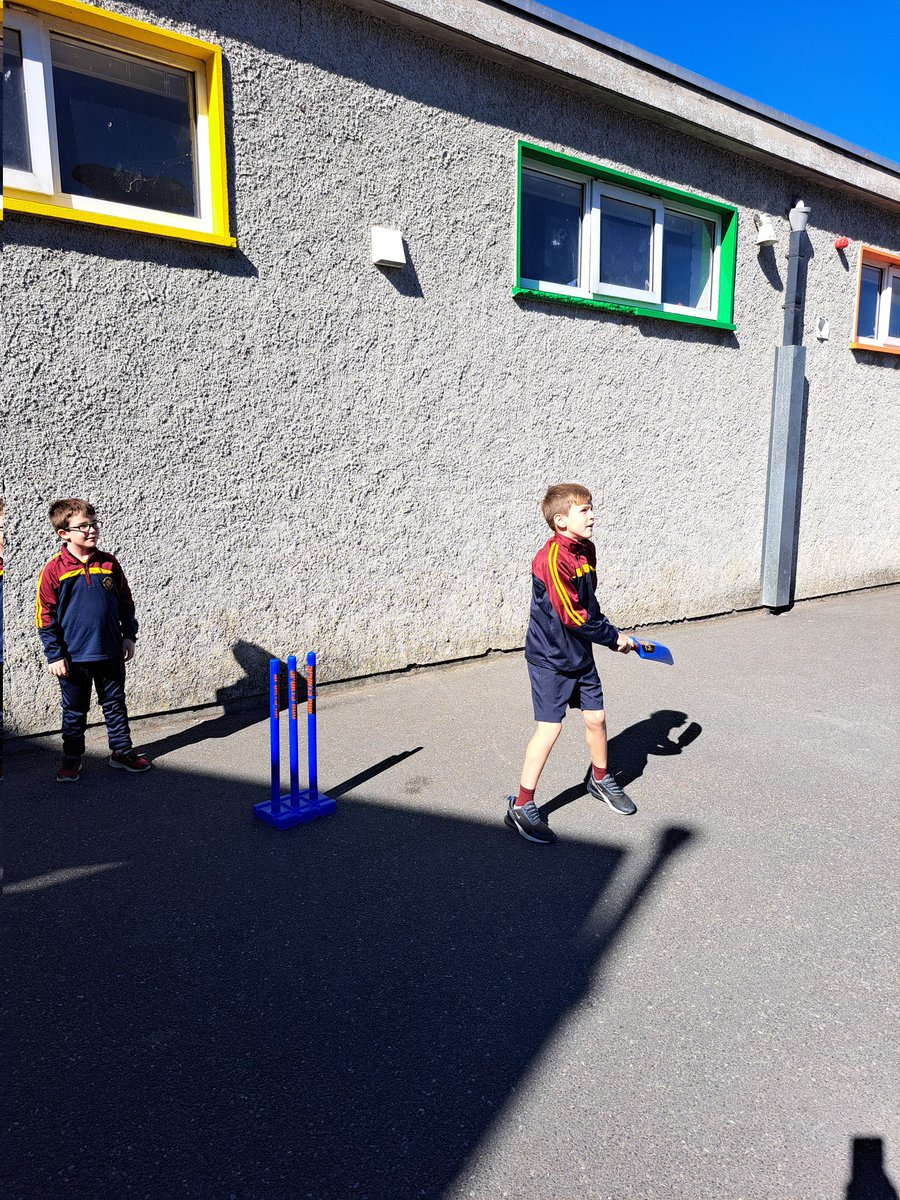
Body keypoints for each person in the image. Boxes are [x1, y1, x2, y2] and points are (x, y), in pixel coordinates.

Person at [505, 483, 636, 845]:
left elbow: (588, 604)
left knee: (596, 718)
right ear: (561, 521)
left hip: (580, 653)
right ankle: (522, 804)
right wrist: (613, 639)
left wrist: (612, 630)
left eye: (592, 507)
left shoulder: (586, 550)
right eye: (584, 510)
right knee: (550, 730)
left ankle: (600, 778)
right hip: (550, 658)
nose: (592, 514)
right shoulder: (550, 560)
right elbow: (572, 616)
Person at [34, 499, 151, 782]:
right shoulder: (54, 569)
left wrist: (128, 636)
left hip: (110, 651)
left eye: (94, 523)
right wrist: (54, 655)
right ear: (64, 533)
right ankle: (72, 759)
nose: (91, 530)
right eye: (83, 526)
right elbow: (44, 615)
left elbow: (126, 602)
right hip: (73, 658)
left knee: (115, 703)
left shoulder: (109, 563)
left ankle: (121, 751)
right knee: (74, 711)